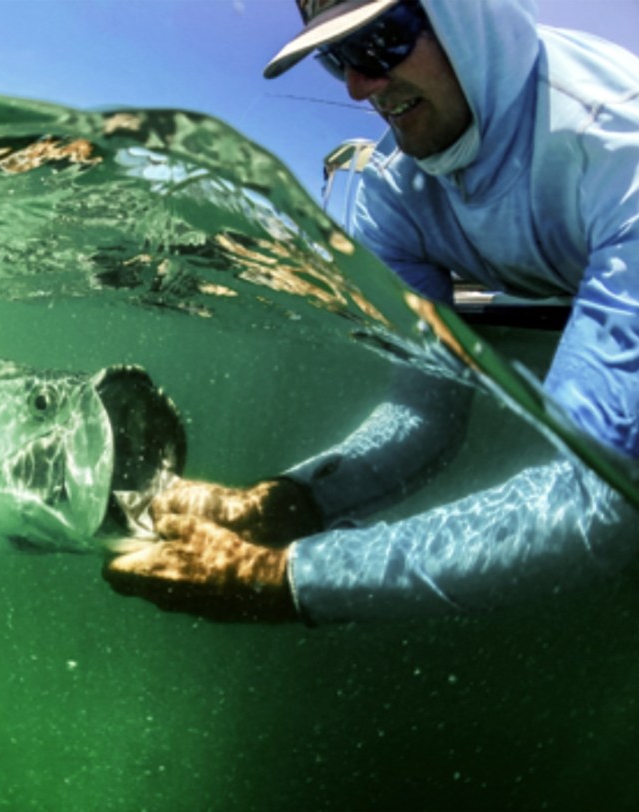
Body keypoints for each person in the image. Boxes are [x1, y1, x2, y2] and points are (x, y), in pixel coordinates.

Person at [103, 0, 639, 625]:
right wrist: (284, 503)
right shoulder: (391, 189)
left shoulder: (618, 144)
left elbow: (602, 496)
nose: (359, 86)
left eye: (379, 41)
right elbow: (424, 413)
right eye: (337, 57)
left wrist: (281, 578)